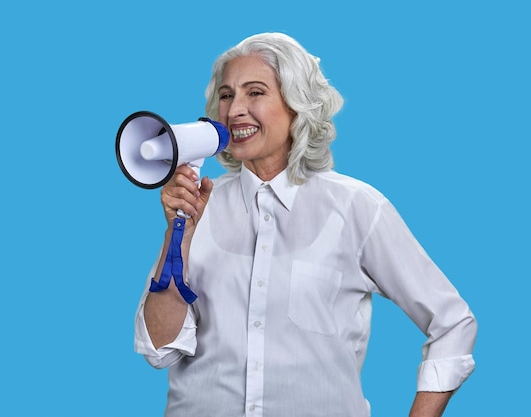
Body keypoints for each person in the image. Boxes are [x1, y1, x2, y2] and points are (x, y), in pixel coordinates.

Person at [133, 32, 477, 417]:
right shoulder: (200, 206)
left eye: (256, 93)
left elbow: (452, 323)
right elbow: (159, 349)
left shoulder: (357, 208)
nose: (234, 111)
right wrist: (177, 235)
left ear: (297, 106)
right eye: (227, 96)